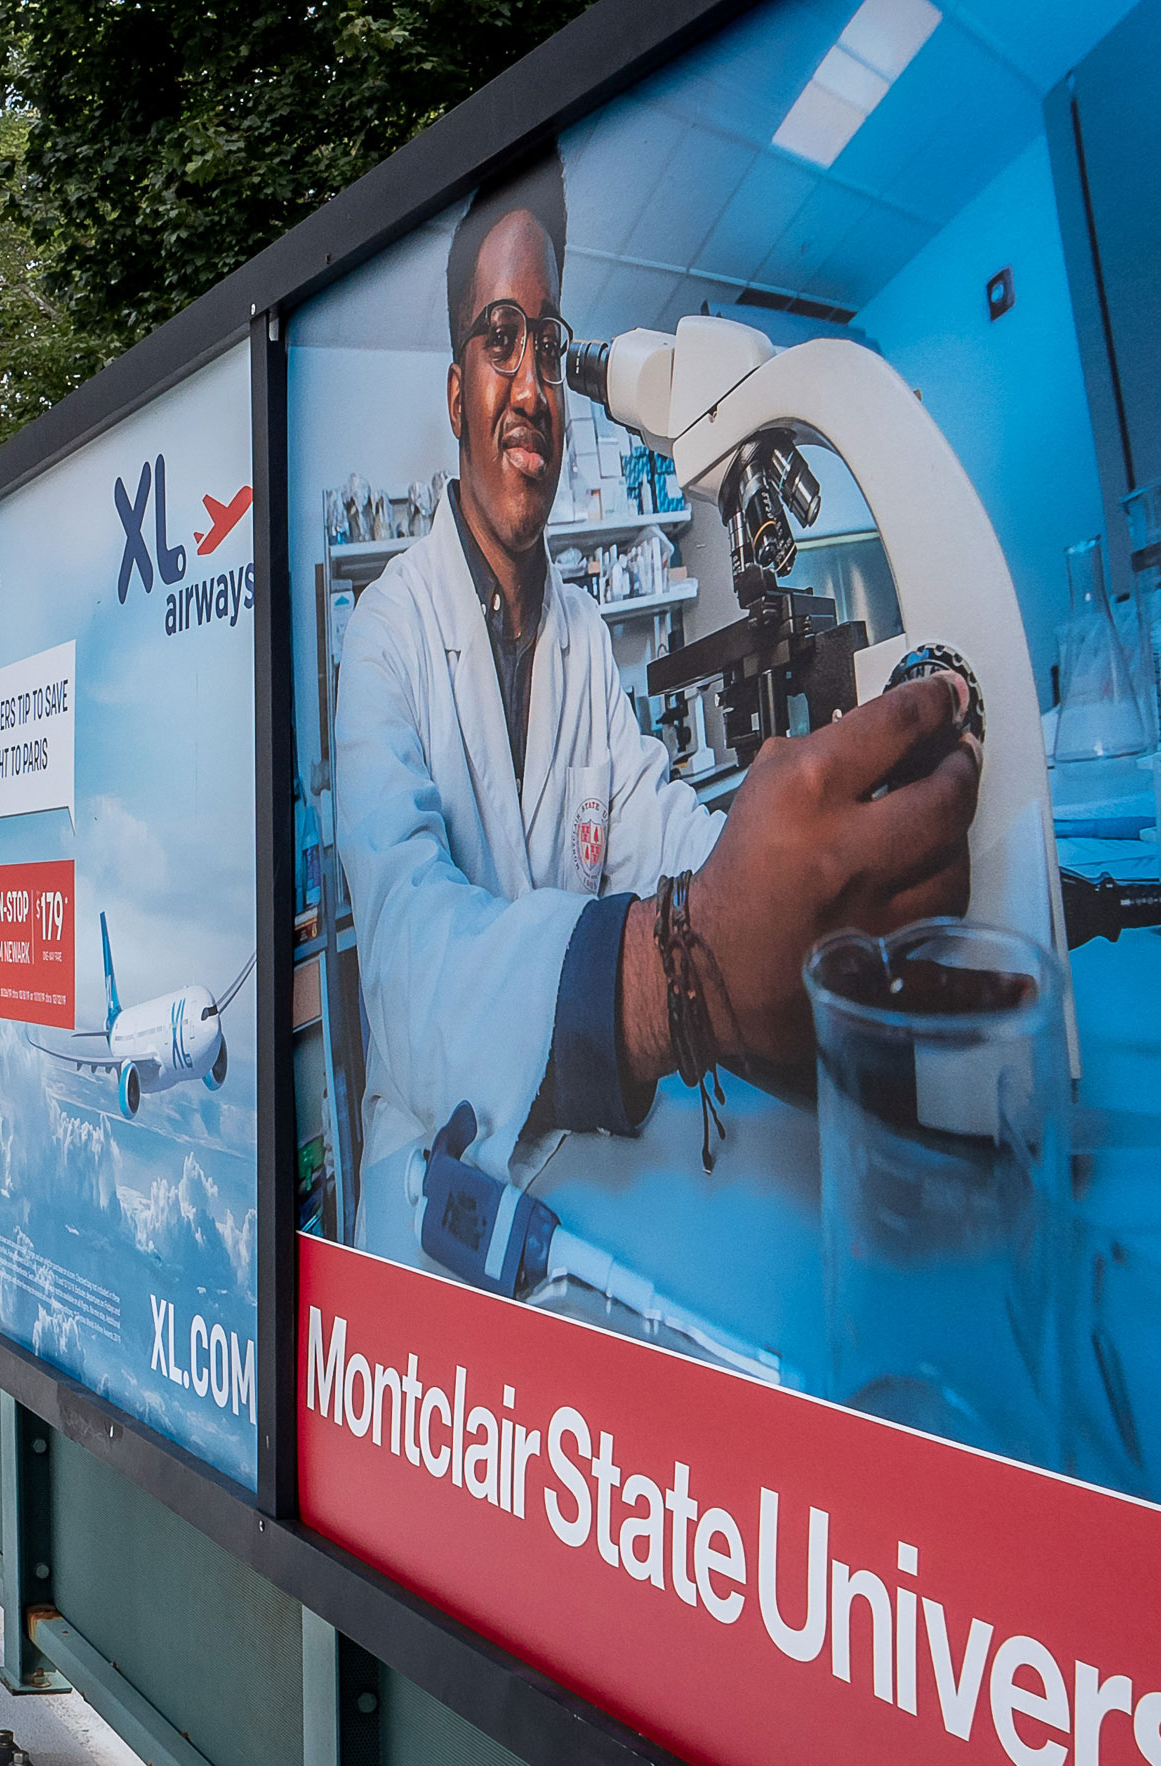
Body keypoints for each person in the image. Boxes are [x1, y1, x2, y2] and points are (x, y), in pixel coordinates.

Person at [334, 151, 977, 1182]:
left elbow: (657, 835)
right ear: (456, 394)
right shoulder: (382, 634)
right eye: (501, 340)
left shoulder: (583, 635)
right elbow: (408, 973)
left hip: (596, 1169)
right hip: (440, 1204)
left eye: (548, 343)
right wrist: (685, 970)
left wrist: (797, 877)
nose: (534, 385)